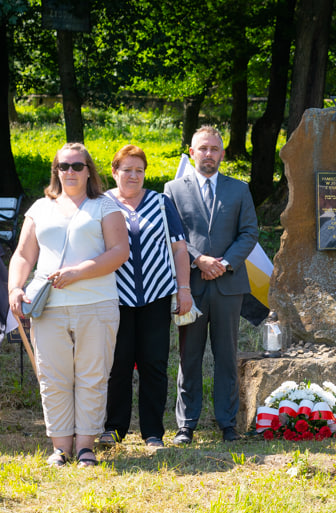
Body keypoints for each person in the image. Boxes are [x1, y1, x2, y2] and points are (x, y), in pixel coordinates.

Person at [7, 143, 129, 467]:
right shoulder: (39, 208)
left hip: (97, 303)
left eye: (77, 165)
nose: (71, 172)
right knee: (53, 376)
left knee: (93, 375)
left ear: (89, 170)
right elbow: (23, 255)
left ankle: (86, 446)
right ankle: (61, 448)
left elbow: (119, 252)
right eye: (64, 166)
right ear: (56, 171)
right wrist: (14, 288)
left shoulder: (105, 206)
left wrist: (78, 272)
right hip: (49, 307)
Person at [164, 126, 258, 444]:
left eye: (214, 149)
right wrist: (199, 260)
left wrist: (224, 263)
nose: (208, 154)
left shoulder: (238, 189)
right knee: (189, 355)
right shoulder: (173, 189)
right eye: (202, 148)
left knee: (227, 356)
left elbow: (249, 232)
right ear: (192, 152)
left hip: (229, 285)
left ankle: (228, 423)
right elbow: (170, 234)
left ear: (222, 154)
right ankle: (186, 424)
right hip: (189, 285)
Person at [99, 145, 193, 448]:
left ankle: (153, 432)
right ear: (115, 172)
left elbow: (179, 249)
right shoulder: (101, 204)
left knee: (154, 364)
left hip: (156, 296)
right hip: (115, 297)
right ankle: (114, 428)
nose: (133, 175)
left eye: (139, 170)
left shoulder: (161, 203)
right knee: (118, 364)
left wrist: (184, 289)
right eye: (127, 169)